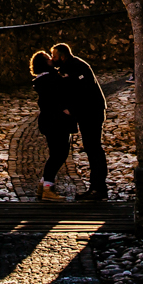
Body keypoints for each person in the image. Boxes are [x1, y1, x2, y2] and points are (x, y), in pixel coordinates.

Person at [49, 42, 108, 202]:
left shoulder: (78, 67)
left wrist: (71, 110)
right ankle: (97, 187)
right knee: (91, 148)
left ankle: (98, 188)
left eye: (54, 56)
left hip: (92, 112)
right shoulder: (66, 68)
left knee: (93, 148)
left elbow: (83, 91)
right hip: (86, 113)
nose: (52, 59)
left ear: (62, 56)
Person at [29, 49, 72, 202]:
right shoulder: (50, 79)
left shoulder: (43, 80)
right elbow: (58, 95)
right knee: (59, 154)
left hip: (49, 121)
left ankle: (44, 185)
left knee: (56, 153)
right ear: (43, 63)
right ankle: (48, 187)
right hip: (55, 121)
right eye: (48, 58)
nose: (51, 60)